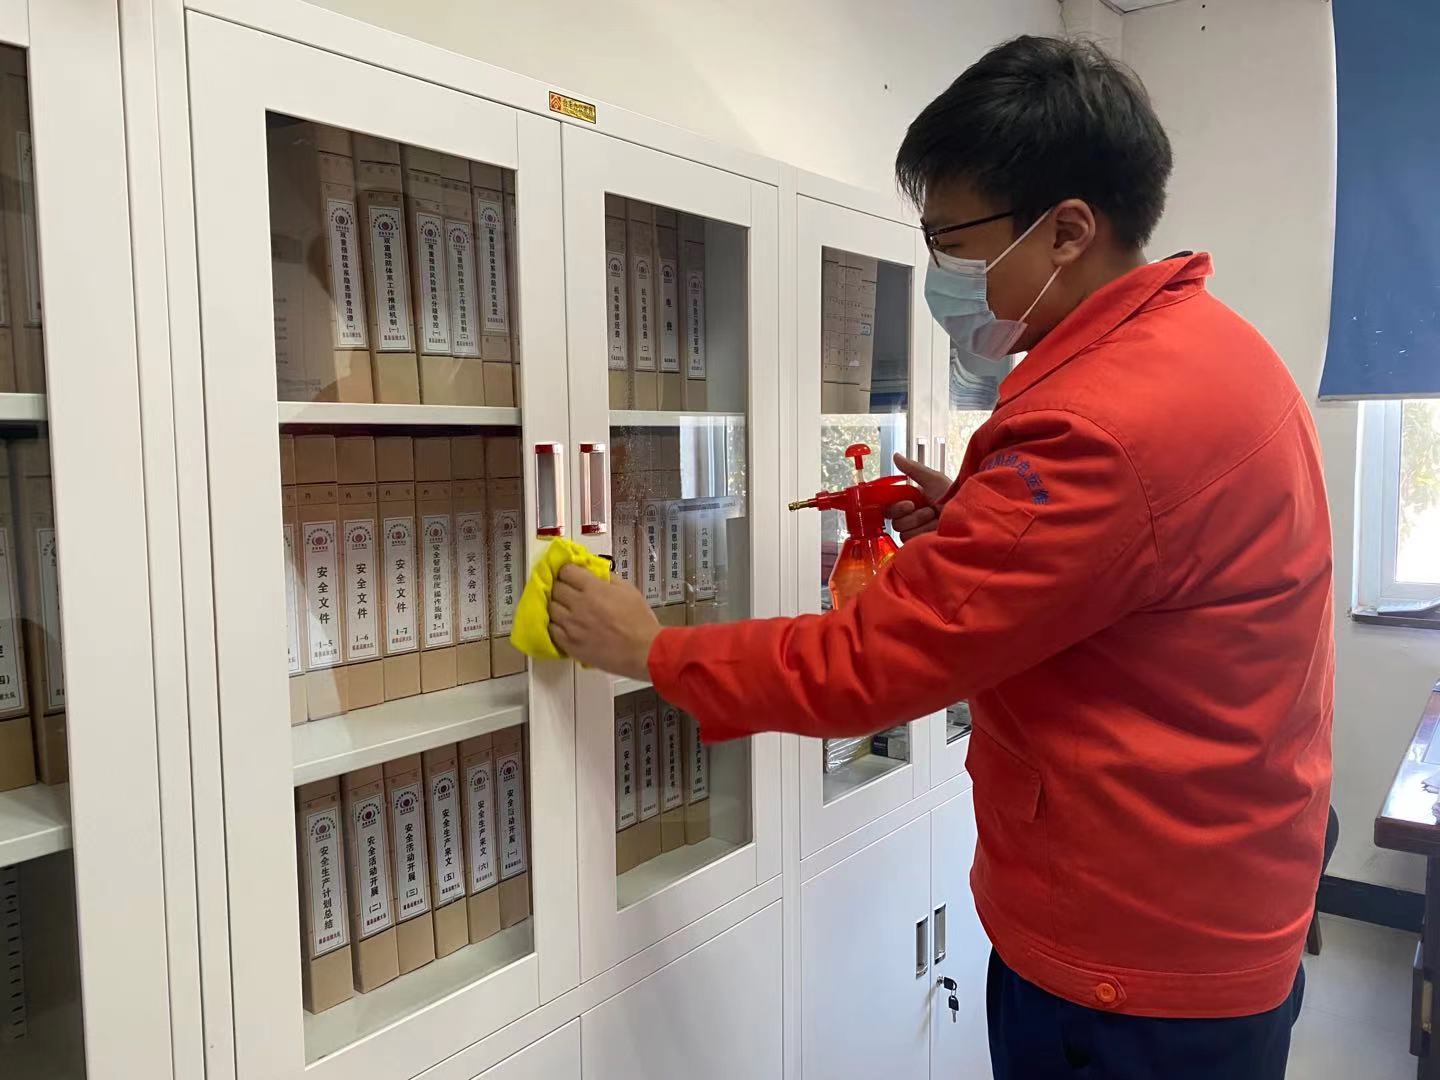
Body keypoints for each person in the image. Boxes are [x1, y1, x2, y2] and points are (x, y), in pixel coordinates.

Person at [549, 35, 1333, 1080]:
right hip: (1221, 893)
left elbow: (870, 665)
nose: (941, 275)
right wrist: (980, 521)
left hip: (1133, 962)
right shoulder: (1213, 346)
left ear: (1068, 231)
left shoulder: (1098, 425)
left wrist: (650, 649)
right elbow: (1149, 562)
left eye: (952, 241)